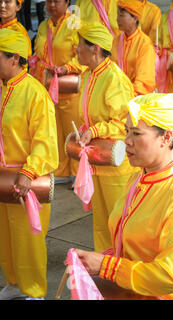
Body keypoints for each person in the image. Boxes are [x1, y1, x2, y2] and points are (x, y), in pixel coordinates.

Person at [74, 93, 173, 300]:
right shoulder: (139, 177)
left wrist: (106, 266)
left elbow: (172, 276)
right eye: (127, 131)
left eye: (136, 133)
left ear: (166, 137)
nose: (126, 141)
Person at [0, 29, 58, 300]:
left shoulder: (35, 93)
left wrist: (29, 171)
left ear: (14, 59)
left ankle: (34, 291)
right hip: (2, 176)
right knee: (6, 237)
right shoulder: (2, 89)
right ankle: (14, 282)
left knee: (28, 240)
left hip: (25, 178)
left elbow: (45, 140)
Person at [76, 22, 138, 253]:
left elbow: (122, 122)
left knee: (119, 220)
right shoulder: (91, 75)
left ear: (95, 49)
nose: (76, 50)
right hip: (99, 160)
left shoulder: (114, 78)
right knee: (101, 222)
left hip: (116, 165)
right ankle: (103, 266)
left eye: (80, 45)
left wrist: (93, 131)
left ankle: (121, 270)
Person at [31, 0, 84, 184]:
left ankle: (78, 172)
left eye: (57, 1)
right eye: (49, 1)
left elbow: (81, 54)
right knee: (54, 129)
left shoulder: (73, 22)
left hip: (68, 83)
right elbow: (39, 52)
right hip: (47, 82)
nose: (52, 5)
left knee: (73, 128)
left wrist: (67, 67)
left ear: (67, 2)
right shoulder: (45, 25)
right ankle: (61, 170)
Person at [111, 0, 156, 95]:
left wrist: (127, 97)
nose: (117, 19)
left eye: (121, 16)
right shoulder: (116, 41)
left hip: (135, 99)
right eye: (117, 15)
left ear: (135, 18)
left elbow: (144, 82)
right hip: (116, 96)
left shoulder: (144, 44)